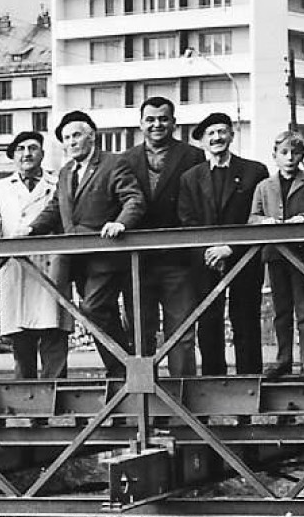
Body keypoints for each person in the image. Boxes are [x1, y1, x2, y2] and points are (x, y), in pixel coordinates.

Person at [26, 111, 146, 377]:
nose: (71, 142)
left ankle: (122, 369)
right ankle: (122, 370)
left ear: (91, 136)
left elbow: (134, 199)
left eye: (77, 135)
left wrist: (121, 223)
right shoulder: (67, 171)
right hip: (79, 260)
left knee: (92, 309)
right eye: (66, 138)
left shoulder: (114, 163)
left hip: (106, 257)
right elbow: (57, 207)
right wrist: (31, 229)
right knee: (102, 313)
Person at [114, 97, 206, 376]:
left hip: (178, 261)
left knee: (182, 333)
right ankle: (148, 401)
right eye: (150, 119)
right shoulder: (125, 159)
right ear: (141, 124)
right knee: (141, 334)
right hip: (137, 262)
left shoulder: (193, 156)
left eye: (163, 119)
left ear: (174, 122)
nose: (157, 125)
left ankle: (184, 401)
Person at [0, 130, 71, 380]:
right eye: (20, 149)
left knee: (54, 334)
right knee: (22, 341)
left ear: (42, 153)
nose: (26, 153)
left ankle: (57, 402)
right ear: (13, 156)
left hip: (51, 266)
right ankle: (28, 407)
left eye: (32, 148)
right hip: (17, 268)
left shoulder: (59, 182)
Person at [177, 113, 269, 376]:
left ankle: (250, 381)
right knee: (209, 321)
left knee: (246, 320)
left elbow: (258, 216)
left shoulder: (254, 171)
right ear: (203, 142)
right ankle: (213, 381)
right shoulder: (190, 178)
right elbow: (188, 220)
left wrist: (231, 248)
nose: (217, 138)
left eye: (221, 132)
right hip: (206, 260)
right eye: (210, 134)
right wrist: (210, 251)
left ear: (231, 134)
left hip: (243, 258)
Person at [250, 132, 304, 380]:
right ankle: (283, 360)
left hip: (302, 255)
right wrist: (265, 221)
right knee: (281, 310)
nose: (290, 158)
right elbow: (253, 217)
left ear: (302, 155)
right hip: (275, 255)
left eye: (295, 153)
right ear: (275, 156)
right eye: (284, 153)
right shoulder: (264, 187)